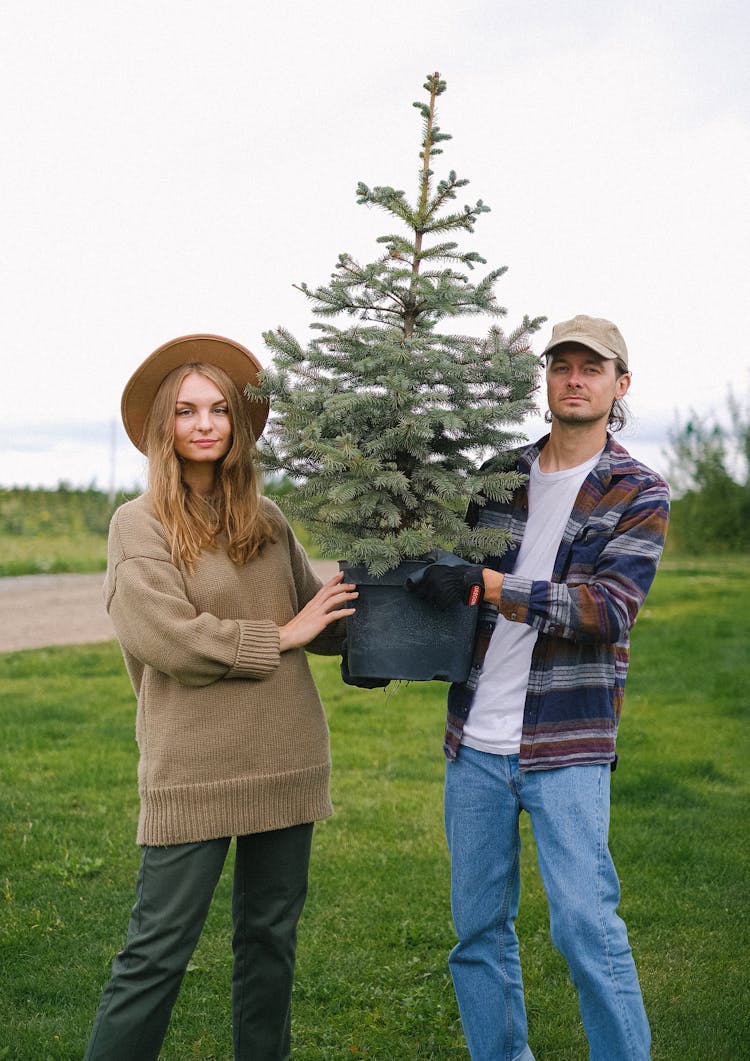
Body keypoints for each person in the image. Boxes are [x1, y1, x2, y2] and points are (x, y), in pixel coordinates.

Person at [83, 333, 357, 1061]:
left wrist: (387, 576)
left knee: (270, 944)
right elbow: (169, 638)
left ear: (237, 424)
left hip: (286, 758)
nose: (204, 424)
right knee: (156, 953)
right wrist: (284, 635)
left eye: (218, 411)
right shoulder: (135, 524)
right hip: (192, 769)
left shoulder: (268, 521)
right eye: (185, 411)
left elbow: (319, 622)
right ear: (162, 427)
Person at [411, 315, 670, 1060]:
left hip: (567, 744)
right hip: (475, 748)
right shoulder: (498, 476)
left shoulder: (637, 491)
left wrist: (489, 584)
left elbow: (603, 609)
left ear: (620, 385)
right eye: (563, 365)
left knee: (587, 928)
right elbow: (446, 578)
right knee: (477, 932)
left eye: (594, 367)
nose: (576, 378)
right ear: (547, 379)